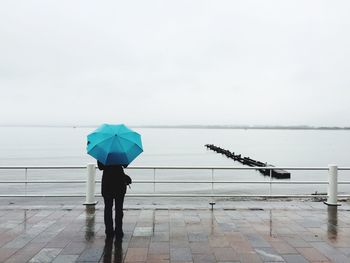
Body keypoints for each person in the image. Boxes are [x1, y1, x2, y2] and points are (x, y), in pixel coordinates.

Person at [97, 161, 131, 239]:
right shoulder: (120, 152)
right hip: (119, 182)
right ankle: (119, 230)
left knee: (108, 208)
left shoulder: (103, 152)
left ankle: (109, 231)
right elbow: (125, 165)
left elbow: (100, 167)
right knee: (119, 209)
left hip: (107, 183)